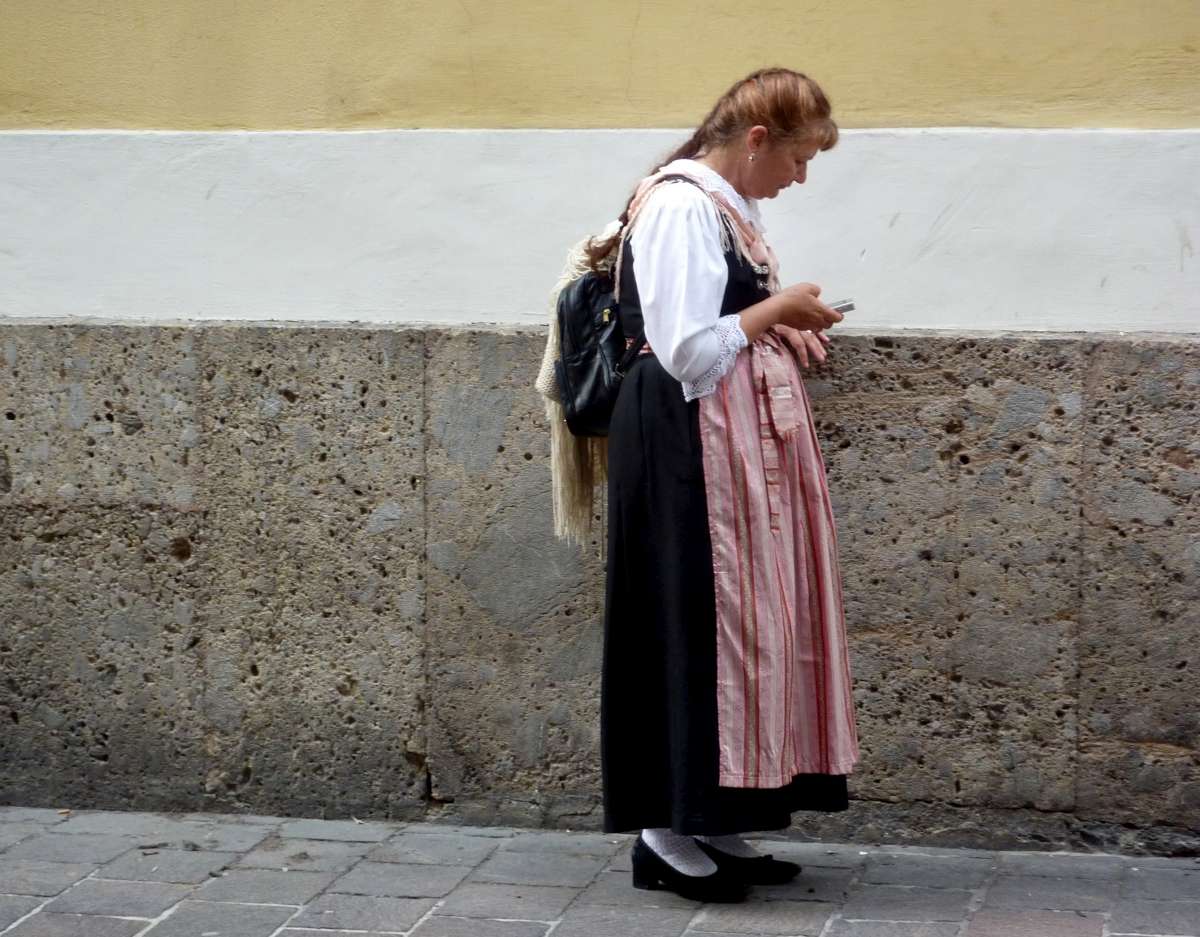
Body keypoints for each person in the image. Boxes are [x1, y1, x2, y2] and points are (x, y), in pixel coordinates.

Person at [598, 68, 860, 903]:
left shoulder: (724, 206)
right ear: (757, 141)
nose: (799, 177)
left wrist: (782, 320)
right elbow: (684, 350)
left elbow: (726, 325)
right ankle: (661, 831)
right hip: (685, 443)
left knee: (738, 626)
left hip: (721, 444)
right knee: (692, 617)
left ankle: (708, 813)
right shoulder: (680, 205)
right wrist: (772, 309)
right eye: (798, 157)